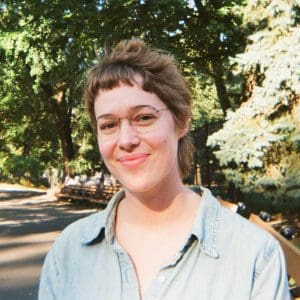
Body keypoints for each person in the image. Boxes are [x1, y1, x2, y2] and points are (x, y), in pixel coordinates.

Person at [38, 38, 290, 300]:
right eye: (109, 125)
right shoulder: (68, 254)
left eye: (144, 117)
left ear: (181, 122)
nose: (126, 140)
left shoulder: (255, 257)